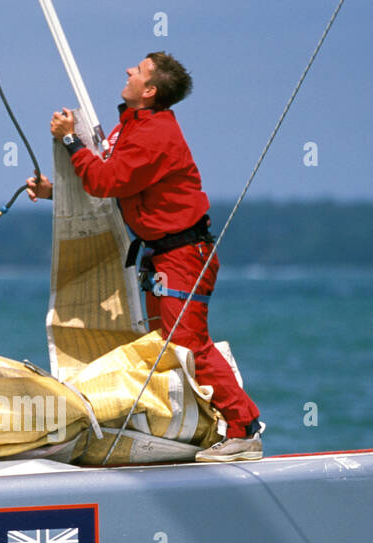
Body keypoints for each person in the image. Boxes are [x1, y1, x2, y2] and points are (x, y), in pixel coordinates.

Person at [26, 52, 264, 461]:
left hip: (185, 256)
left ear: (149, 90)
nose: (127, 70)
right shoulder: (132, 126)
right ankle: (195, 427)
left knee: (189, 348)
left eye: (137, 69)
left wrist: (70, 140)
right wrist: (56, 192)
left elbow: (105, 181)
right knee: (164, 347)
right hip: (163, 257)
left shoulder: (155, 135)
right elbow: (113, 186)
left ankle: (244, 430)